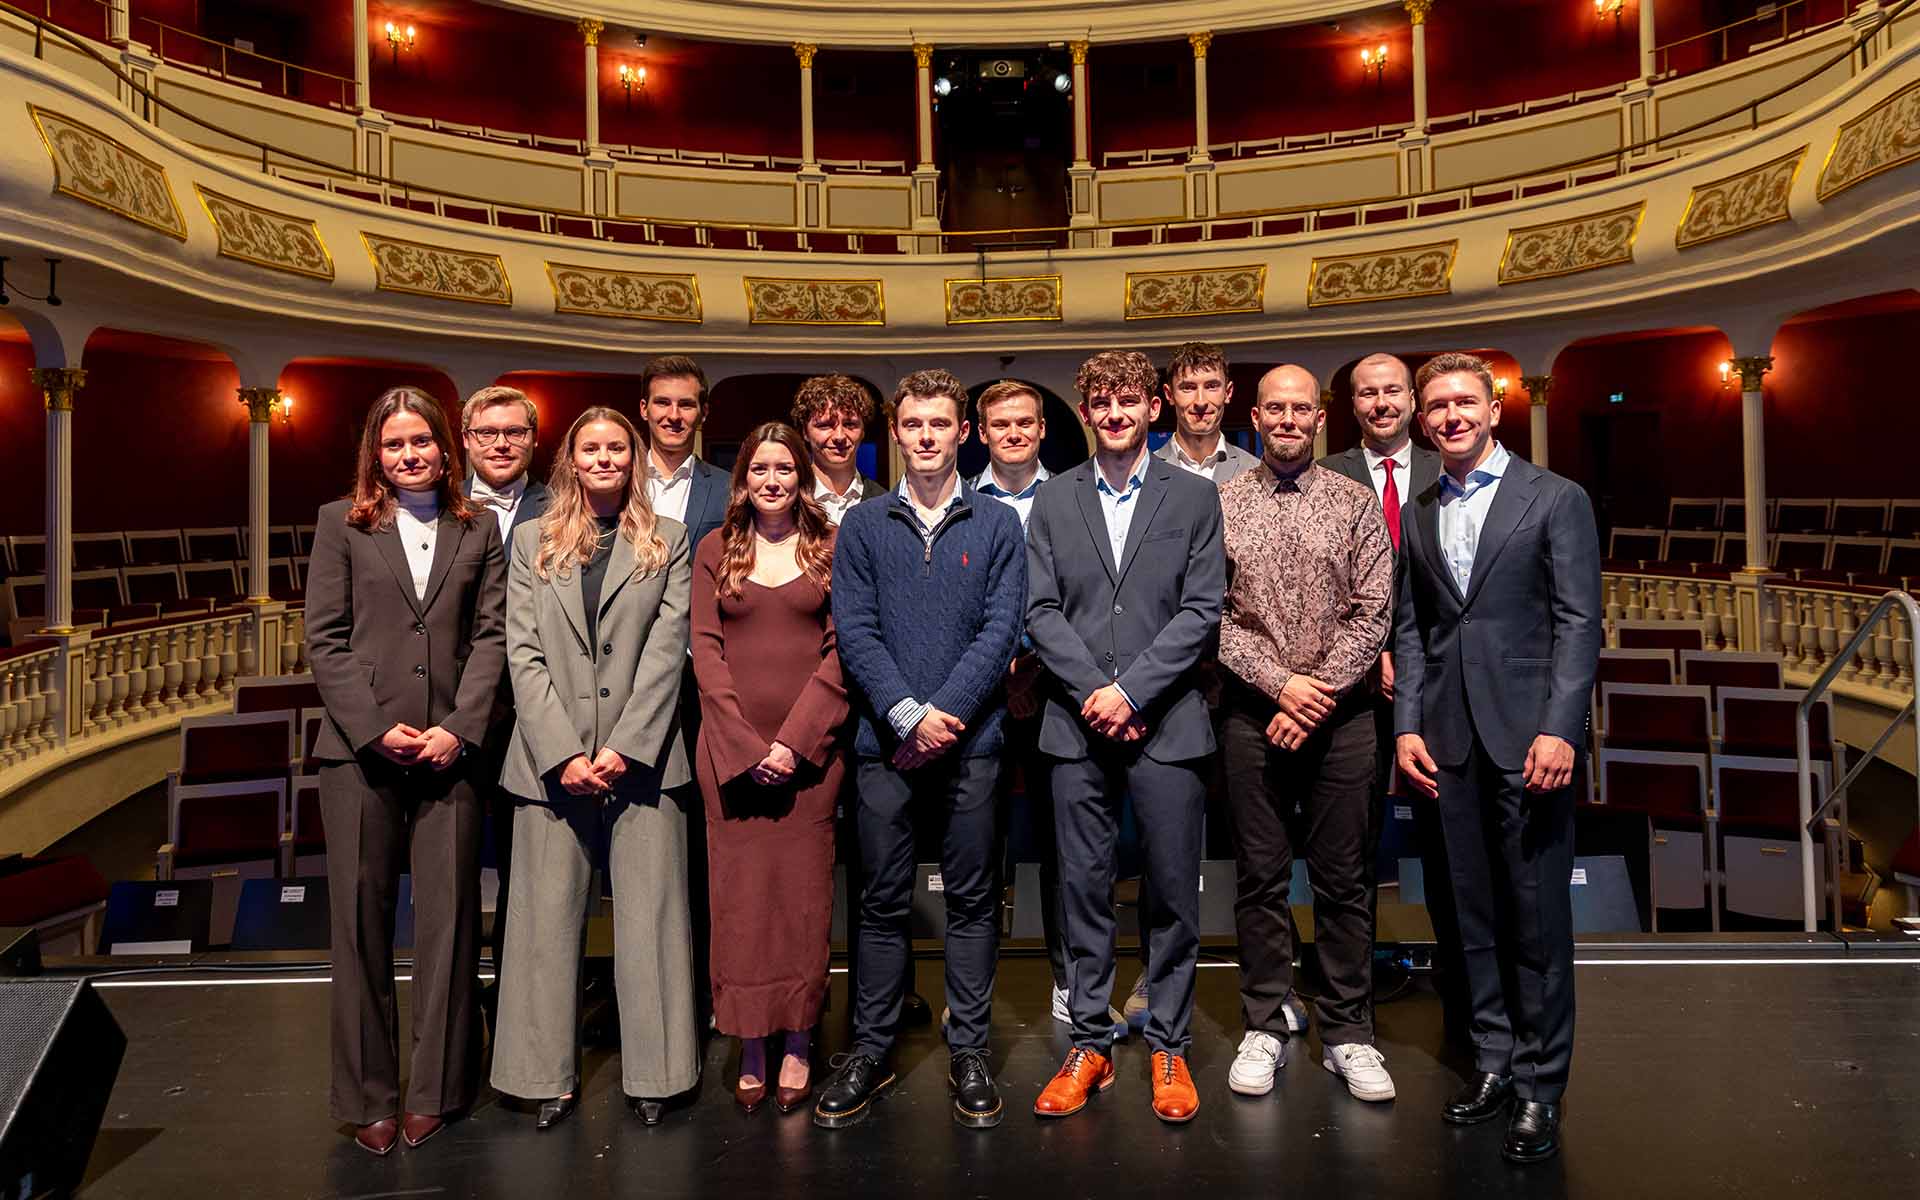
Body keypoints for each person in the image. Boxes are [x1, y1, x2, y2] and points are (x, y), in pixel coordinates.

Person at [1394, 352, 1601, 1164]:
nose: (1450, 416)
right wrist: (1408, 723)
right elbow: (1414, 631)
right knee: (1470, 918)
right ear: (1421, 421)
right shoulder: (1416, 512)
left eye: (1463, 402)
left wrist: (1562, 725)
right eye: (1436, 406)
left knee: (1537, 921)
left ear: (1494, 408)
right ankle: (1492, 1063)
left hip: (1530, 740)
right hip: (1448, 740)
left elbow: (1580, 622)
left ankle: (1542, 1086)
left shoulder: (1556, 499)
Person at [817, 368, 1026, 1131]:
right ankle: (869, 1050)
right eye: (914, 425)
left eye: (942, 423)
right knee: (879, 903)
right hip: (884, 747)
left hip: (973, 746)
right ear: (896, 433)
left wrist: (948, 714)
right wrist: (909, 715)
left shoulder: (999, 524)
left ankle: (968, 1049)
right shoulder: (865, 528)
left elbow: (1002, 628)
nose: (928, 437)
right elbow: (856, 630)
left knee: (973, 903)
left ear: (962, 431)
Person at [304, 386, 507, 1156]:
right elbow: (324, 637)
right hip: (360, 756)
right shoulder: (341, 523)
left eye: (420, 441)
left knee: (450, 924)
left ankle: (438, 1090)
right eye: (393, 445)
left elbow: (489, 638)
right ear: (374, 454)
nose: (409, 454)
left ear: (443, 448)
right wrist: (369, 726)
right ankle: (368, 1098)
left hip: (450, 754)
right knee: (359, 929)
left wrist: (460, 729)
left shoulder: (478, 526)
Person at [1026, 350, 1223, 1125]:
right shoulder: (1053, 499)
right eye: (1100, 401)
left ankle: (1170, 1042)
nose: (1114, 413)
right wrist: (1094, 692)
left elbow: (1202, 609)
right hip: (1075, 727)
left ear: (1153, 407)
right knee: (1081, 892)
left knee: (1173, 892)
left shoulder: (1196, 498)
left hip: (1167, 723)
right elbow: (1040, 611)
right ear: (1085, 412)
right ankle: (1091, 1043)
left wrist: (1132, 689)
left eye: (1128, 400)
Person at [490, 406, 699, 1130]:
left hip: (644, 762)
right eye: (591, 448)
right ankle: (541, 1075)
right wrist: (564, 754)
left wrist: (625, 748)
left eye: (617, 448)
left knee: (652, 924)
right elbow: (523, 654)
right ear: (571, 462)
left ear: (633, 460)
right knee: (544, 926)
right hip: (549, 766)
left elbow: (668, 653)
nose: (605, 458)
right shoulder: (528, 543)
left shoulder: (669, 541)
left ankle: (659, 1075)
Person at [1217, 366, 1395, 1104]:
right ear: (1255, 417)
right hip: (1252, 714)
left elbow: (1375, 608)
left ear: (1320, 419)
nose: (1288, 420)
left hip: (1343, 716)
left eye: (1301, 409)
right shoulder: (1219, 504)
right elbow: (1209, 613)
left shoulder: (1355, 504)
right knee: (1259, 878)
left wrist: (1314, 693)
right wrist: (1279, 686)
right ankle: (1264, 1019)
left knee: (1343, 880)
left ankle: (1349, 1033)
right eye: (1275, 409)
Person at [691, 421, 848, 1116]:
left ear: (801, 476)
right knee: (741, 906)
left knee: (802, 904)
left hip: (812, 761)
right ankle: (750, 1042)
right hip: (730, 762)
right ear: (743, 477)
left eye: (785, 467)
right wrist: (750, 750)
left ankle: (798, 1039)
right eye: (760, 468)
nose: (773, 479)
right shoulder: (714, 550)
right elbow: (705, 653)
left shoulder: (832, 550)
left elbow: (844, 652)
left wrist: (794, 743)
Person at [1317, 352, 1459, 1042]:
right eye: (1366, 393)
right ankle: (1355, 991)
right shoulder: (1327, 476)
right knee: (1354, 847)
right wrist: (1370, 651)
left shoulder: (1449, 469)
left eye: (1392, 391)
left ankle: (1463, 994)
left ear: (1413, 399)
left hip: (1438, 685)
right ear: (1352, 405)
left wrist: (1412, 657)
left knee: (1447, 846)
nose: (1380, 402)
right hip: (1354, 689)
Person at [459, 385, 550, 1014]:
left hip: (535, 712)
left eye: (514, 432)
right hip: (456, 714)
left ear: (533, 442)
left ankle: (519, 1001)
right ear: (465, 440)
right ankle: (459, 1001)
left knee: (529, 871)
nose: (501, 443)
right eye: (488, 433)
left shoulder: (561, 506)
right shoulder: (433, 508)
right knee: (456, 867)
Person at [642, 354, 728, 550]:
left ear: (703, 413)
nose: (673, 415)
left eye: (685, 405)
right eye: (662, 403)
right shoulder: (619, 482)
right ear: (644, 409)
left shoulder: (729, 489)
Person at [1155, 341, 1261, 485]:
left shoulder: (1255, 471)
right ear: (1169, 395)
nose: (1200, 402)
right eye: (1188, 388)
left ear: (1228, 392)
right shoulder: (1147, 471)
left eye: (1211, 387)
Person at [793, 374, 887, 526]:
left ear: (863, 431)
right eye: (825, 425)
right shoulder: (789, 499)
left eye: (850, 424)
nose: (839, 436)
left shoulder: (884, 503)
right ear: (805, 432)